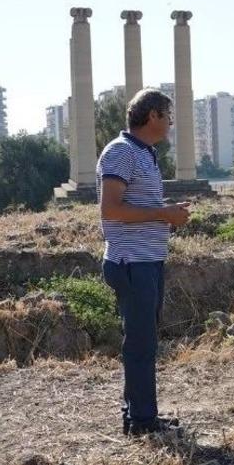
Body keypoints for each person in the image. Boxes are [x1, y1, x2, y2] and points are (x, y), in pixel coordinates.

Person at [97, 88, 191, 436]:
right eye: (168, 116)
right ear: (152, 116)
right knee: (140, 344)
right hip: (131, 262)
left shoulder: (144, 153)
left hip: (147, 260)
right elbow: (111, 209)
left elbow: (136, 205)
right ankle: (142, 421)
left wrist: (166, 215)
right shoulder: (121, 152)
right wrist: (162, 214)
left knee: (143, 341)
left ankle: (138, 413)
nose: (170, 123)